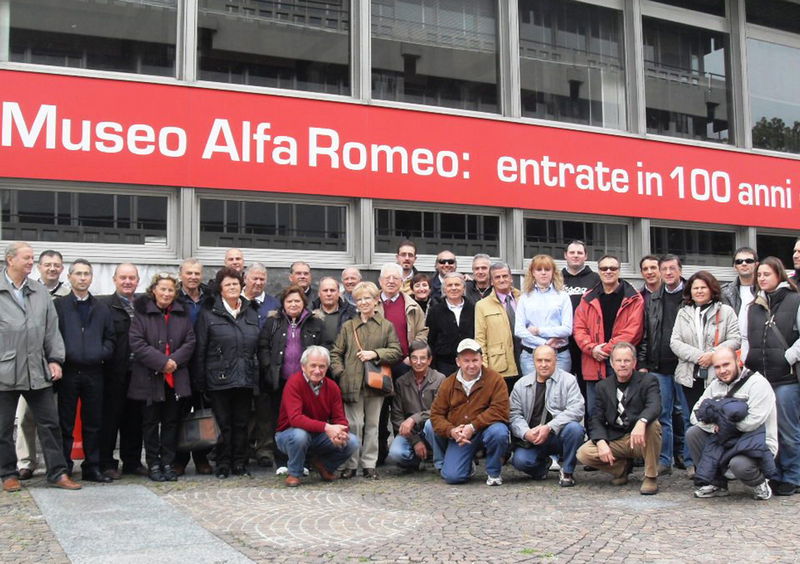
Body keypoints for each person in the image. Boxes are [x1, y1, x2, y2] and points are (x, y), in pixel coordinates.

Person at [0, 242, 80, 492]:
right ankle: (8, 474)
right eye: (26, 258)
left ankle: (57, 473)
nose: (30, 262)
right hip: (4, 371)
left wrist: (55, 359)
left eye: (32, 258)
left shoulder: (39, 291)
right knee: (3, 428)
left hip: (37, 369)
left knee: (50, 423)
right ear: (10, 260)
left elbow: (51, 329)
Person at [670, 270, 741, 476]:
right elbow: (675, 342)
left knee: (718, 420)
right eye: (695, 288)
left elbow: (735, 338)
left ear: (712, 289)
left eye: (703, 287)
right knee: (691, 418)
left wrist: (712, 355)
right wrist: (698, 356)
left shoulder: (725, 311)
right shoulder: (684, 312)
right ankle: (695, 462)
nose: (699, 291)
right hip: (690, 375)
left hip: (717, 374)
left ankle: (720, 463)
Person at [330, 281, 402, 479]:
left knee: (373, 425)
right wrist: (341, 373)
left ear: (376, 300)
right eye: (359, 299)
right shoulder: (348, 326)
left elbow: (397, 351)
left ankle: (369, 464)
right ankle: (351, 464)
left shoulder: (386, 326)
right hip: (351, 383)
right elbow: (336, 353)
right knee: (354, 425)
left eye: (367, 298)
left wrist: (375, 354)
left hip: (376, 383)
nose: (363, 302)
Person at [194, 267, 261, 479]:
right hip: (219, 379)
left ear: (242, 286)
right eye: (227, 284)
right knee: (222, 424)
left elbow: (257, 346)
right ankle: (222, 463)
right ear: (220, 289)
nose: (232, 287)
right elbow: (201, 349)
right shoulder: (208, 314)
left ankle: (239, 462)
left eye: (235, 283)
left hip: (245, 378)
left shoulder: (250, 311)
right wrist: (200, 381)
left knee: (241, 423)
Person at [128, 272, 196, 482]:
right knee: (150, 423)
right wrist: (162, 362)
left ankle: (168, 462)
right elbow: (137, 343)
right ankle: (154, 464)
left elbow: (190, 341)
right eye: (163, 289)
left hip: (175, 378)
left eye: (170, 290)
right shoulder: (142, 313)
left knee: (171, 423)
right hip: (150, 378)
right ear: (154, 290)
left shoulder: (181, 314)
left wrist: (173, 361)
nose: (166, 293)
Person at [743, 256, 800, 496]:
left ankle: (793, 476)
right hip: (760, 378)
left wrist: (788, 356)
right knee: (767, 430)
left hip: (785, 378)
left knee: (788, 430)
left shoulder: (795, 300)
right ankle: (773, 474)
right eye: (759, 275)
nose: (762, 278)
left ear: (779, 274)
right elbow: (746, 338)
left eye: (767, 274)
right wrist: (747, 361)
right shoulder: (753, 306)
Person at [53, 259, 115, 482]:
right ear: (69, 277)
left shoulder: (101, 307)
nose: (82, 278)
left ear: (91, 278)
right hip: (68, 371)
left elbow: (110, 337)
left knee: (94, 422)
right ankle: (64, 467)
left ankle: (92, 466)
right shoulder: (59, 306)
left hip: (94, 372)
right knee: (65, 422)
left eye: (86, 274)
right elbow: (52, 335)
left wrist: (101, 353)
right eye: (78, 274)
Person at [688, 347, 776, 500]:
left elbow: (753, 422)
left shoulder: (758, 384)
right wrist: (711, 426)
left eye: (726, 364)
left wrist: (722, 426)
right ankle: (716, 483)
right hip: (725, 441)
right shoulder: (714, 386)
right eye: (717, 367)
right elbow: (695, 414)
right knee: (693, 433)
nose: (722, 370)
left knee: (739, 465)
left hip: (755, 442)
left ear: (737, 361)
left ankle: (760, 483)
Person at [14, 249, 71, 481]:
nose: (52, 268)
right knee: (26, 415)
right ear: (39, 267)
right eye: (47, 264)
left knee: (53, 418)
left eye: (56, 265)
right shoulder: (27, 291)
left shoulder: (69, 294)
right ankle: (25, 462)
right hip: (28, 364)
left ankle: (56, 465)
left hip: (59, 363)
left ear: (62, 268)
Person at [577, 342, 662, 495]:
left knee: (653, 425)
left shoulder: (648, 380)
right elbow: (596, 418)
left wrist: (642, 422)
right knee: (584, 453)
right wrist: (601, 441)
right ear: (612, 363)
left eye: (627, 361)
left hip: (640, 439)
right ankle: (621, 468)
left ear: (634, 362)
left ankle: (650, 476)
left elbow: (654, 406)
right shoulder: (602, 386)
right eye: (618, 361)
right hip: (616, 438)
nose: (622, 365)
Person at [258, 285, 323, 472]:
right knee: (280, 420)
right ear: (283, 304)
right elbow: (262, 347)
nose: (293, 304)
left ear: (303, 303)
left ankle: (305, 462)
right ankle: (281, 462)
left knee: (307, 420)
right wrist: (268, 367)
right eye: (289, 301)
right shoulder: (273, 322)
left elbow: (323, 347)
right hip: (280, 382)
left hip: (307, 384)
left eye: (297, 301)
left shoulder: (315, 323)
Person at [275, 346, 359, 487]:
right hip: (288, 433)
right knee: (300, 435)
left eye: (322, 366)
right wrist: (327, 427)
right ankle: (294, 473)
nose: (317, 370)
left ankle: (325, 466)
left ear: (327, 368)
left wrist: (342, 433)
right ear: (303, 367)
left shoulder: (332, 387)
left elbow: (339, 418)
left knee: (352, 442)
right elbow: (295, 419)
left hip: (318, 435)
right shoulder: (294, 383)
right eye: (313, 366)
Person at [429, 338, 509, 485]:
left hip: (486, 429)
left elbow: (500, 410)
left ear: (482, 359)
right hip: (461, 436)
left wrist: (473, 426)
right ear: (458, 362)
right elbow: (436, 414)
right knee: (453, 477)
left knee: (500, 432)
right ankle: (466, 464)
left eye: (475, 360)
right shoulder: (448, 383)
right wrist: (451, 431)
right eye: (466, 361)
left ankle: (494, 472)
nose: (471, 365)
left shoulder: (495, 380)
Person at [573, 255, 644, 415]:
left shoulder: (633, 298)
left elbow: (633, 331)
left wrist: (606, 349)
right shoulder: (587, 298)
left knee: (622, 412)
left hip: (620, 362)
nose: (608, 271)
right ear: (599, 271)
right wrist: (591, 349)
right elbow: (578, 328)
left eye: (613, 268)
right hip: (593, 361)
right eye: (604, 268)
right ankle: (596, 441)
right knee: (594, 412)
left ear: (619, 271)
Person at [638, 254, 686, 476]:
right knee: (663, 415)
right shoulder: (653, 299)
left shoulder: (690, 296)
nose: (668, 273)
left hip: (686, 365)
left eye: (671, 269)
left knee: (688, 414)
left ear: (680, 270)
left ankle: (690, 459)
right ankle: (664, 460)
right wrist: (644, 363)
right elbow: (646, 334)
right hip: (659, 367)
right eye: (664, 269)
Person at [509, 345, 585, 487]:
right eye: (539, 360)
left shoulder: (568, 380)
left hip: (559, 435)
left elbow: (577, 409)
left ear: (555, 360)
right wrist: (526, 433)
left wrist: (550, 427)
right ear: (533, 361)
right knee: (520, 461)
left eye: (548, 360)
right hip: (533, 438)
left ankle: (567, 471)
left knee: (575, 429)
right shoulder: (521, 384)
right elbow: (514, 415)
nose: (543, 365)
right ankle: (542, 468)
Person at [375, 262, 428, 463]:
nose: (390, 281)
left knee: (407, 407)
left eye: (395, 278)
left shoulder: (411, 305)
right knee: (379, 410)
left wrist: (413, 353)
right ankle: (379, 453)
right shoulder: (372, 303)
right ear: (380, 281)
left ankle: (410, 449)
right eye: (386, 278)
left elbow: (423, 331)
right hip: (379, 364)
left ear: (401, 281)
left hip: (405, 364)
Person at [98, 263, 147, 479]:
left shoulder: (144, 305)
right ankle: (107, 462)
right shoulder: (105, 306)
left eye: (132, 278)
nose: (127, 282)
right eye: (123, 278)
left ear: (138, 281)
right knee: (110, 420)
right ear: (115, 280)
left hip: (139, 372)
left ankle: (132, 461)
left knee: (135, 420)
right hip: (113, 372)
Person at [173, 258, 214, 477]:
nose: (193, 277)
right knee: (179, 413)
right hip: (180, 361)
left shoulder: (209, 298)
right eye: (188, 273)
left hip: (204, 360)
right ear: (181, 275)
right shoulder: (174, 297)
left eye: (197, 273)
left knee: (203, 412)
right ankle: (179, 459)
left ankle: (201, 457)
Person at [387, 341, 446, 472]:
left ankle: (439, 461)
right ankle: (417, 461)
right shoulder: (401, 382)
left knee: (431, 424)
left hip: (433, 429)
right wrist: (415, 441)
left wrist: (414, 418)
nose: (418, 362)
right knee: (396, 453)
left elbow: (440, 410)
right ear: (409, 359)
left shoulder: (440, 379)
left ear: (429, 360)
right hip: (411, 433)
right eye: (414, 358)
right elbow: (396, 417)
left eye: (423, 358)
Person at [515, 254, 573, 374]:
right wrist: (544, 343)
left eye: (547, 269)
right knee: (534, 392)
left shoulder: (562, 296)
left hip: (559, 356)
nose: (543, 273)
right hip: (531, 356)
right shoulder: (525, 297)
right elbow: (519, 330)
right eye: (539, 269)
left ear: (553, 272)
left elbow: (567, 329)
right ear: (532, 273)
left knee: (559, 392)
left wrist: (539, 331)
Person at [474, 262, 522, 391]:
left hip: (525, 360)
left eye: (505, 276)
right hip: (500, 365)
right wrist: (484, 368)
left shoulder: (523, 298)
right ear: (491, 282)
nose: (502, 280)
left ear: (511, 278)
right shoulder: (482, 305)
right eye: (497, 277)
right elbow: (480, 339)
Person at [562, 240, 600, 401]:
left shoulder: (595, 279)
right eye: (572, 252)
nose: (575, 256)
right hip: (563, 342)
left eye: (579, 253)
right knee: (563, 386)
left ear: (586, 256)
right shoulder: (557, 279)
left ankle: (589, 422)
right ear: (565, 255)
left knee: (587, 387)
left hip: (587, 342)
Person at [426, 272, 475, 376]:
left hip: (470, 363)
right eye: (449, 285)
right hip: (443, 366)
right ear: (444, 289)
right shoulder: (435, 311)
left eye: (457, 285)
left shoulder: (474, 309)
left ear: (463, 288)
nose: (453, 288)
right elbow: (430, 340)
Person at [721, 247, 758, 357]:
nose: (744, 264)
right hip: (733, 349)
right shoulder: (724, 293)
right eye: (739, 261)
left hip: (758, 348)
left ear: (756, 264)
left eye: (749, 261)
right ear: (734, 267)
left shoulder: (766, 291)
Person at [312, 276, 356, 351]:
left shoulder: (350, 314)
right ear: (319, 293)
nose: (329, 294)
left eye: (332, 290)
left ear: (339, 293)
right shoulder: (309, 314)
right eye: (325, 290)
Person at [243, 262, 279, 328]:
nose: (258, 283)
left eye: (262, 279)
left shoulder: (275, 304)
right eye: (255, 279)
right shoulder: (234, 300)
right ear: (245, 278)